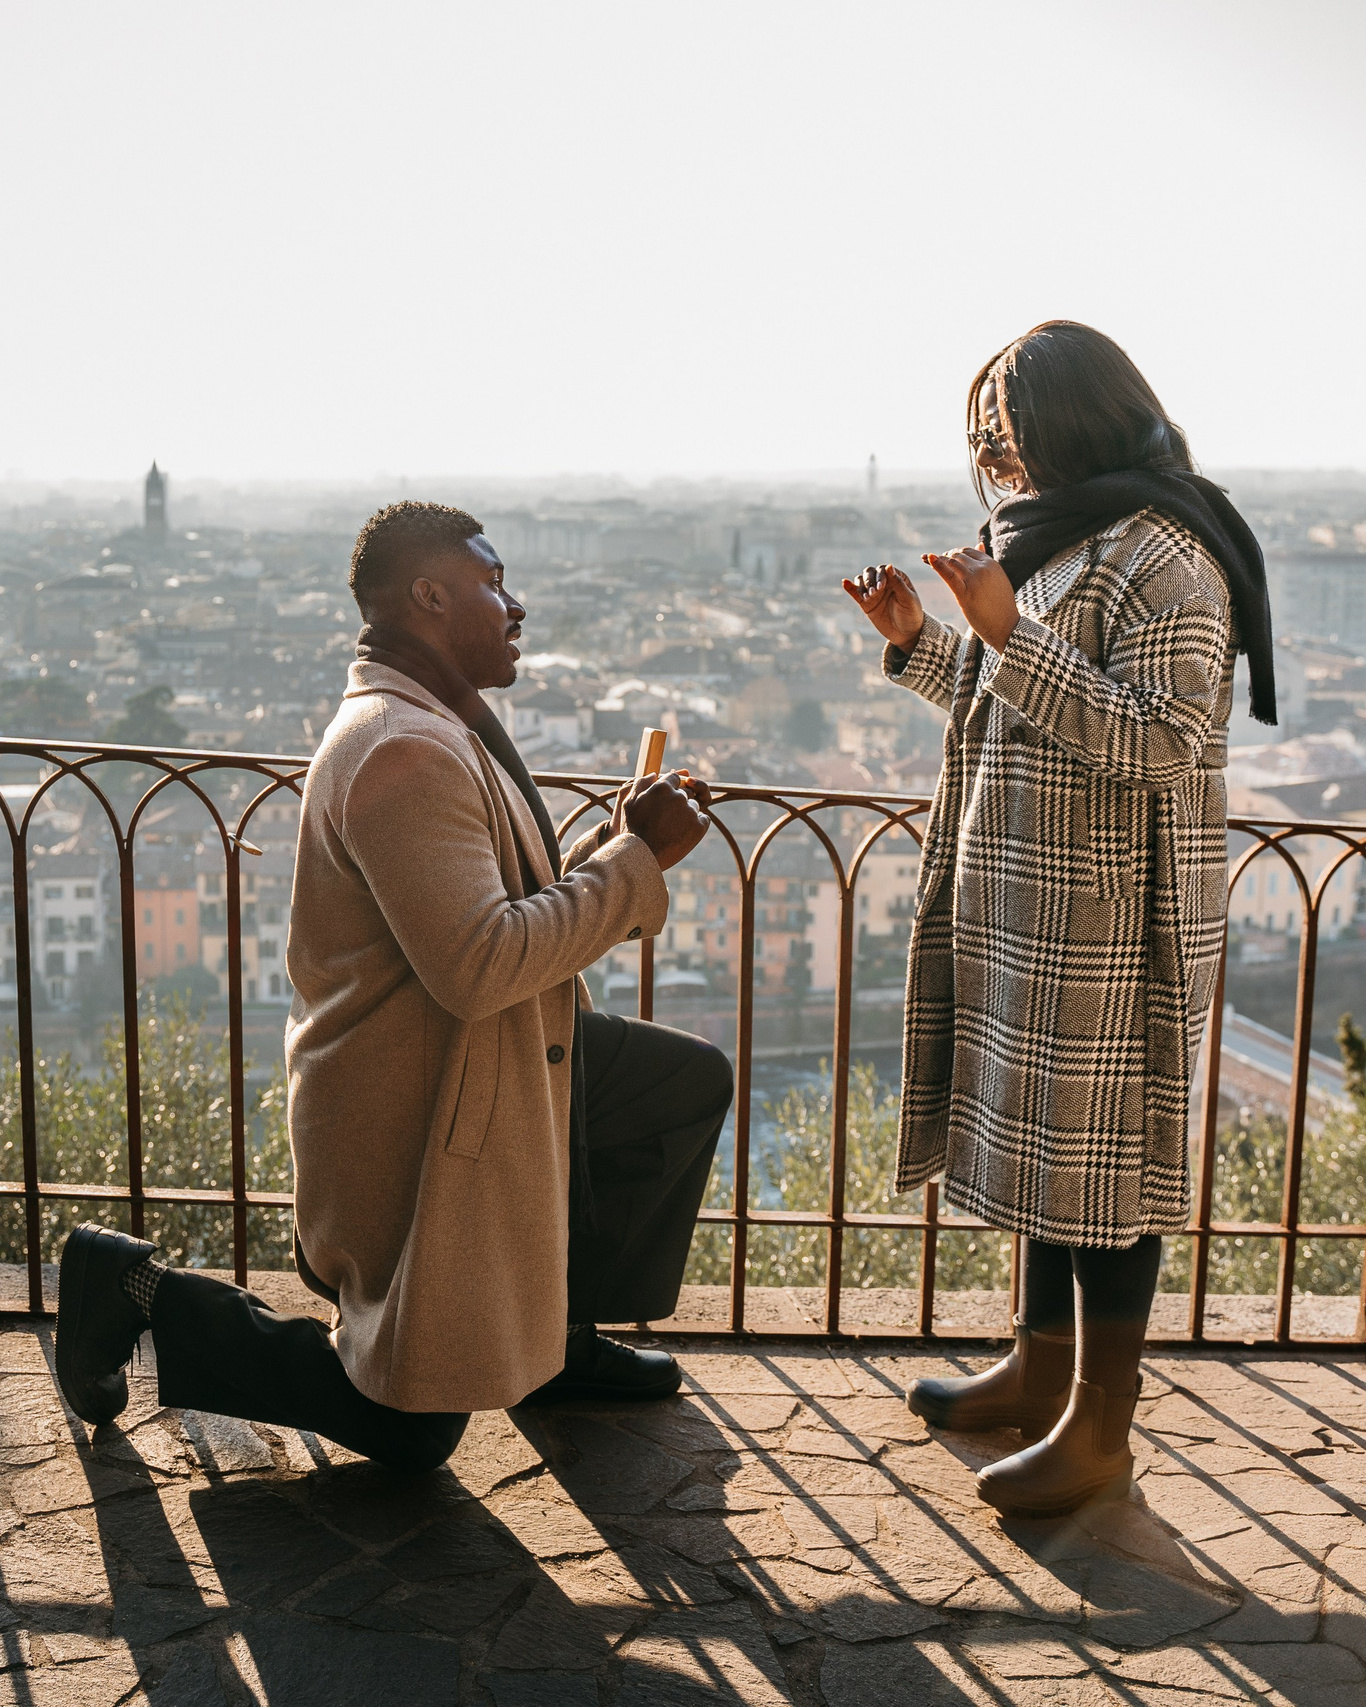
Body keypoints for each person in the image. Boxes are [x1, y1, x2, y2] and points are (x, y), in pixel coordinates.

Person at [57, 501, 732, 1473]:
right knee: (413, 1429)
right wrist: (635, 862)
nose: (517, 605)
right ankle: (136, 1292)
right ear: (427, 597)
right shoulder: (403, 748)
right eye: (492, 582)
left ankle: (558, 1345)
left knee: (678, 1084)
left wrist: (620, 848)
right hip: (419, 1105)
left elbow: (497, 910)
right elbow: (479, 964)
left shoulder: (427, 723)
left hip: (487, 1060)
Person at [844, 321, 1274, 1519]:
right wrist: (924, 645)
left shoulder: (1169, 557)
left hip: (1110, 919)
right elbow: (1017, 708)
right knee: (1048, 1155)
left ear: (1069, 421)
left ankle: (1098, 1429)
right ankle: (1034, 1376)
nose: (993, 455)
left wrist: (1005, 634)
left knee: (1106, 1171)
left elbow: (1161, 741)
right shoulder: (1063, 542)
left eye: (1008, 430)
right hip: (1030, 906)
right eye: (984, 435)